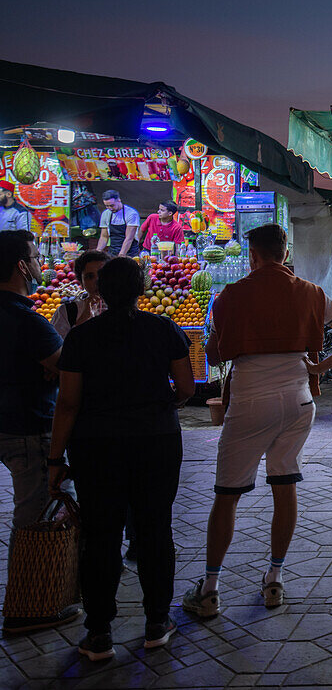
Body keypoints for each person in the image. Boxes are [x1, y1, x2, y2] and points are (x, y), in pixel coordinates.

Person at [183, 224, 332, 617]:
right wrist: (319, 365)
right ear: (285, 253)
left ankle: (211, 588)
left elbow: (214, 357)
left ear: (253, 256)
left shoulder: (229, 296)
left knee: (227, 495)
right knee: (285, 484)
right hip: (300, 401)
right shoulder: (312, 293)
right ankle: (274, 579)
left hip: (250, 402)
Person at [46, 256, 195, 659]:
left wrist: (55, 458)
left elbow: (68, 404)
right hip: (156, 441)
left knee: (101, 535)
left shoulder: (81, 337)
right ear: (141, 289)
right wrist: (162, 404)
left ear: (101, 291)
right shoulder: (163, 328)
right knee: (154, 530)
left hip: (96, 447)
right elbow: (184, 386)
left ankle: (98, 633)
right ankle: (157, 622)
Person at [0, 230, 82, 634]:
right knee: (35, 515)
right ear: (21, 265)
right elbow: (67, 368)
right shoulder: (26, 320)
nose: (40, 263)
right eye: (35, 256)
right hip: (28, 427)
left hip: (8, 423)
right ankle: (29, 606)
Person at [51, 250, 109, 340]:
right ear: (81, 282)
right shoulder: (67, 312)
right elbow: (59, 350)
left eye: (102, 274)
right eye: (90, 276)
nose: (97, 281)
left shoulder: (124, 309)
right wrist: (83, 318)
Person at [95, 190, 141, 257]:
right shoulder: (106, 214)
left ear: (119, 200)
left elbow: (129, 238)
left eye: (112, 205)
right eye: (107, 206)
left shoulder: (131, 214)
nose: (110, 208)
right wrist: (97, 252)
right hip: (113, 251)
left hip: (129, 252)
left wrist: (121, 255)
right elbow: (104, 237)